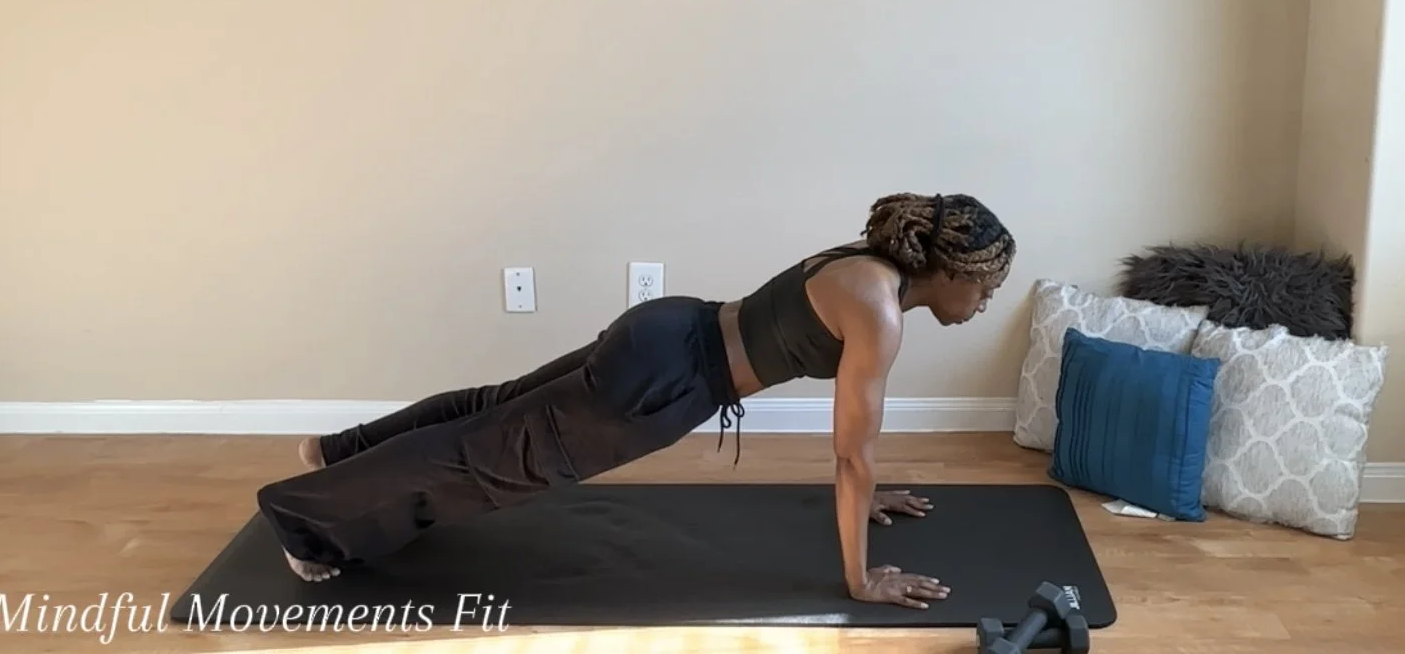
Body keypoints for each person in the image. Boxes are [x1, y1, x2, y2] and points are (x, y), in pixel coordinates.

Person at [255, 191, 1016, 610]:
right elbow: (851, 452)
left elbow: (848, 443)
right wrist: (860, 579)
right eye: (986, 287)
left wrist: (869, 491)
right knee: (482, 460)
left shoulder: (867, 259)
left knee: (496, 407)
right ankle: (305, 515)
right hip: (662, 384)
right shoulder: (879, 314)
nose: (984, 304)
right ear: (950, 272)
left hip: (667, 328)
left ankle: (339, 448)